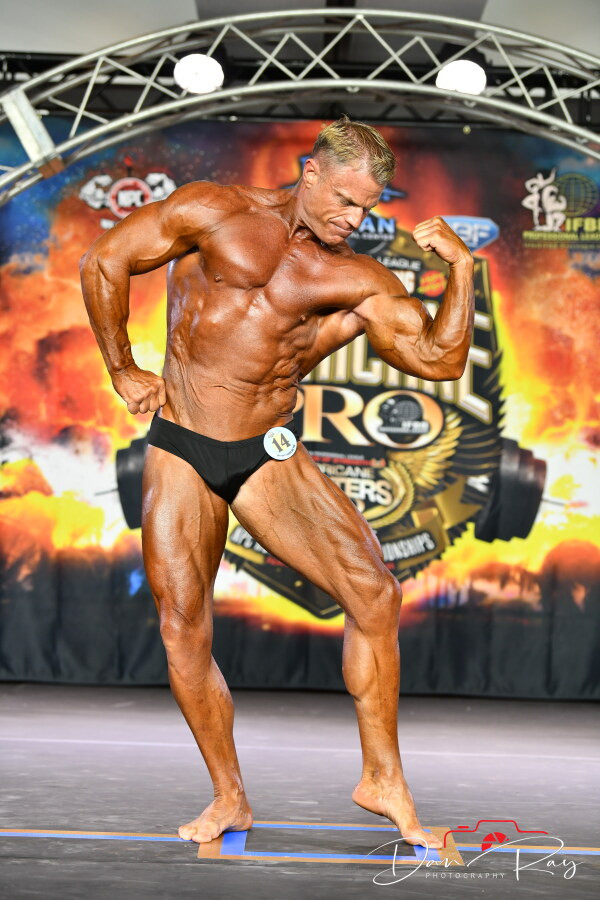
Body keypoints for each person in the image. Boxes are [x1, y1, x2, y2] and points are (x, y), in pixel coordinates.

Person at [79, 116, 474, 850]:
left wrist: (463, 272)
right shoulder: (213, 211)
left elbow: (440, 360)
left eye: (367, 208)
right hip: (182, 442)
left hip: (267, 449)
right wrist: (123, 367)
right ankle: (229, 795)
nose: (354, 219)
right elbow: (105, 261)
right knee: (182, 626)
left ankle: (382, 778)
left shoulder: (357, 278)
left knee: (374, 594)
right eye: (345, 200)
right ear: (310, 171)